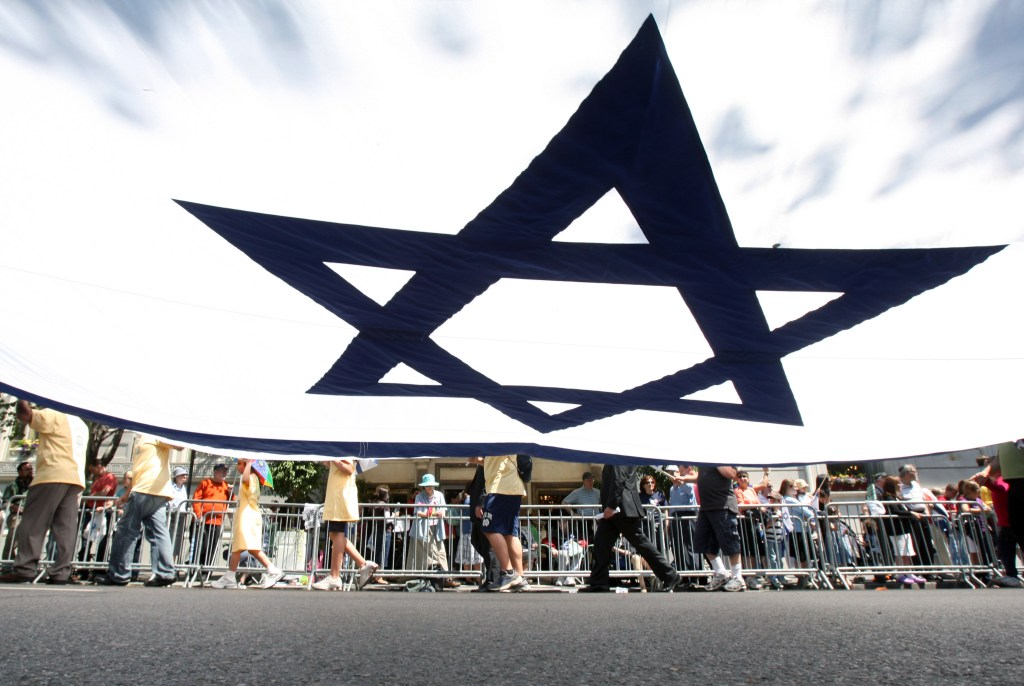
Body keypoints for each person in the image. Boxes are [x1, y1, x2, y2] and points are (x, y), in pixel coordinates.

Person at [0, 400, 87, 584]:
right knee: (66, 529)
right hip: (75, 478)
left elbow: (24, 415)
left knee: (33, 524)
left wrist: (22, 395)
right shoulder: (81, 424)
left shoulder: (54, 414)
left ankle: (25, 568)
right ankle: (61, 572)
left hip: (52, 474)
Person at [93, 435, 182, 587]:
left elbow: (179, 445)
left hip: (147, 490)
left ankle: (119, 574)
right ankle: (165, 573)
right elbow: (136, 474)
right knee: (157, 532)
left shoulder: (155, 433)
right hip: (154, 491)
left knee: (126, 531)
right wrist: (126, 495)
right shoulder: (140, 440)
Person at [584, 463, 681, 593]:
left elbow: (619, 480)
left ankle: (670, 575)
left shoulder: (617, 454)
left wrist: (611, 506)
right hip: (616, 511)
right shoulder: (613, 455)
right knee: (601, 545)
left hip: (622, 509)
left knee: (641, 544)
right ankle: (598, 583)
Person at [210, 459, 285, 589]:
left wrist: (249, 463)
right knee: (242, 547)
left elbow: (245, 481)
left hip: (248, 516)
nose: (237, 466)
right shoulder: (250, 478)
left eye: (240, 464)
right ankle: (232, 576)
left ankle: (272, 570)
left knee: (246, 547)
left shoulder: (251, 477)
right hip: (246, 515)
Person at [313, 458, 377, 591]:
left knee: (337, 534)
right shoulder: (339, 450)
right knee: (334, 535)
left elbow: (349, 469)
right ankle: (363, 564)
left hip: (340, 497)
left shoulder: (342, 449)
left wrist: (334, 460)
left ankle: (335, 576)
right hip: (338, 497)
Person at [479, 455, 531, 592]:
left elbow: (474, 457)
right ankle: (520, 577)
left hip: (500, 487)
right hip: (514, 487)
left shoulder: (492, 437)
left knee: (489, 527)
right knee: (510, 533)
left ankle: (508, 572)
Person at [692, 465, 745, 592]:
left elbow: (732, 474)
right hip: (706, 507)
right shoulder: (703, 461)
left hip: (723, 505)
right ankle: (721, 573)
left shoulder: (720, 456)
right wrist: (684, 479)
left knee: (730, 541)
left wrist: (715, 460)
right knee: (703, 542)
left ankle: (738, 577)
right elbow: (701, 477)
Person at [408, 474, 456, 588]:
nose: (429, 487)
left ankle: (446, 577)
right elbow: (417, 511)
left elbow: (444, 510)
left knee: (440, 551)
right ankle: (425, 577)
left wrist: (440, 514)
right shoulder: (419, 496)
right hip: (423, 528)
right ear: (424, 486)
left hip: (437, 528)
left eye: (431, 485)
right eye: (427, 485)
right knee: (426, 554)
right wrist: (427, 514)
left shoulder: (439, 495)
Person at [879, 476, 927, 585]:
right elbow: (896, 511)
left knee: (908, 552)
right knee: (900, 552)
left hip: (904, 528)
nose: (900, 486)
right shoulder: (888, 498)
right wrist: (911, 513)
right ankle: (900, 574)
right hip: (896, 529)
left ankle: (909, 573)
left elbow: (904, 509)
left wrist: (913, 512)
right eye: (898, 484)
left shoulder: (896, 498)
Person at [77, 462, 118, 575]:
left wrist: (90, 497)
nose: (92, 473)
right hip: (91, 511)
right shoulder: (97, 479)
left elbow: (105, 492)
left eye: (93, 470)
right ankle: (83, 568)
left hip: (103, 511)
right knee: (86, 538)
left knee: (102, 540)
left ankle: (99, 569)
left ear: (99, 466)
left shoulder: (109, 477)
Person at [191, 463, 233, 568]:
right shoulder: (205, 483)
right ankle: (194, 568)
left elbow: (232, 502)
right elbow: (196, 499)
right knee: (201, 547)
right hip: (203, 521)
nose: (225, 473)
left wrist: (231, 492)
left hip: (217, 522)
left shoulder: (226, 485)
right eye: (222, 470)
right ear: (215, 472)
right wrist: (199, 516)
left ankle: (206, 570)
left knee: (212, 548)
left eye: (226, 471)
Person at [467, 457, 500, 591]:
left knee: (488, 546)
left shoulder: (490, 462)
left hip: (485, 510)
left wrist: (481, 503)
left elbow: (489, 484)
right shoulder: (482, 466)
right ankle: (492, 576)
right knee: (477, 541)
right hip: (478, 512)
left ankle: (494, 579)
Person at [667, 465, 699, 571]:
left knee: (690, 544)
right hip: (675, 517)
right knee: (678, 545)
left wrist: (681, 482)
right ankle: (683, 572)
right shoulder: (672, 488)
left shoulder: (688, 484)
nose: (672, 475)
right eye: (669, 473)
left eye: (674, 472)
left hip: (688, 515)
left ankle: (695, 573)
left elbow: (690, 491)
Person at [1, 461, 34, 565]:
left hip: (32, 516)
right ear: (20, 472)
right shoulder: (13, 485)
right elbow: (6, 503)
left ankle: (23, 566)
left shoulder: (35, 485)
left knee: (28, 543)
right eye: (27, 470)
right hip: (17, 516)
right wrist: (16, 507)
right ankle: (7, 564)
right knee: (12, 541)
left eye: (31, 469)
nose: (30, 471)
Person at [168, 466, 189, 561]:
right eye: (182, 475)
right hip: (172, 514)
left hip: (181, 515)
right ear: (176, 477)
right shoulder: (171, 486)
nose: (185, 476)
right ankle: (167, 561)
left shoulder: (184, 488)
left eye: (185, 475)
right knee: (170, 537)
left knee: (178, 539)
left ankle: (174, 562)